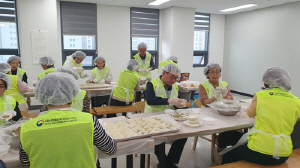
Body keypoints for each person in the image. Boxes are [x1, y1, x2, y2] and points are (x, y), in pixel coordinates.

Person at [19, 72, 117, 167]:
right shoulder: (89, 120)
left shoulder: (27, 127)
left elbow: (25, 162)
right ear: (73, 93)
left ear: (42, 95)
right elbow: (110, 149)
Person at [222, 67, 300, 165]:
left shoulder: (261, 95)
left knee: (227, 156)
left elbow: (250, 114)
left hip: (260, 150)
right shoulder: (296, 101)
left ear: (267, 83)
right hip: (284, 153)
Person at [144, 64, 187, 168]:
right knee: (157, 138)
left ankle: (168, 162)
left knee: (184, 134)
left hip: (170, 118)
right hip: (152, 117)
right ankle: (165, 163)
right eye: (172, 77)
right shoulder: (151, 84)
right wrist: (169, 101)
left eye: (176, 78)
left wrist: (180, 105)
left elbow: (176, 102)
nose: (174, 80)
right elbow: (150, 100)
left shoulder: (175, 86)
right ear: (164, 73)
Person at [199, 63, 242, 155]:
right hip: (208, 113)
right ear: (207, 74)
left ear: (220, 73)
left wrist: (226, 96)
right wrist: (216, 96)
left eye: (217, 72)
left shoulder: (224, 84)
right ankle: (221, 147)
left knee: (238, 126)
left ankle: (229, 145)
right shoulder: (203, 85)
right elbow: (205, 103)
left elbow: (231, 99)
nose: (215, 74)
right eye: (212, 72)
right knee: (224, 127)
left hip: (223, 111)